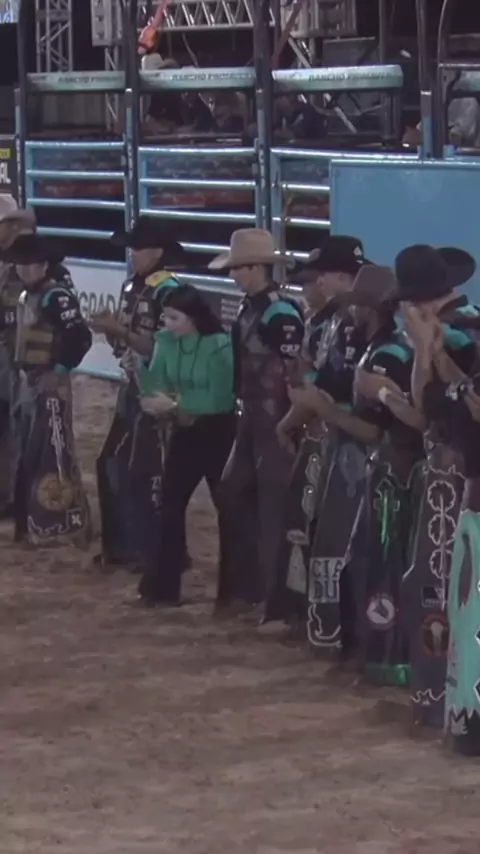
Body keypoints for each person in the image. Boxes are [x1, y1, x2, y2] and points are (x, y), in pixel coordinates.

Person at [396, 244, 479, 729]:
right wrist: (426, 349)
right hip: (457, 475)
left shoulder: (462, 332)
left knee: (445, 588)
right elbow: (427, 401)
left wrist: (432, 349)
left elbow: (444, 403)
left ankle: (447, 700)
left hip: (462, 474)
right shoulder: (456, 328)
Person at [272, 236, 370, 637]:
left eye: (322, 275)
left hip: (347, 439)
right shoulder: (335, 322)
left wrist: (292, 417)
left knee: (335, 530)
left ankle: (332, 624)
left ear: (341, 276)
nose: (317, 282)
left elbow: (329, 388)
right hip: (336, 433)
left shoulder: (345, 326)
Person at [210, 229, 305, 616]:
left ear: (256, 268)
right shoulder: (258, 308)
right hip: (255, 414)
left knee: (270, 505)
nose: (234, 275)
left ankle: (271, 596)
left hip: (272, 415)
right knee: (240, 494)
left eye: (239, 268)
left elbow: (294, 368)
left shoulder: (277, 312)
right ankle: (253, 588)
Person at [90, 216, 182, 573]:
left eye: (138, 248)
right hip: (133, 386)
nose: (132, 253)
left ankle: (149, 549)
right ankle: (126, 546)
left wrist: (116, 329)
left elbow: (162, 348)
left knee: (143, 470)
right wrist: (113, 331)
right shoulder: (134, 287)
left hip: (154, 392)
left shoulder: (169, 291)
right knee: (115, 462)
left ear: (157, 252)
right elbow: (128, 343)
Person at [137, 284, 236, 606]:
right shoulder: (166, 342)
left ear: (193, 318)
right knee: (169, 504)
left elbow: (222, 398)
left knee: (228, 509)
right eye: (165, 317)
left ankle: (235, 590)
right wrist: (139, 369)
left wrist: (176, 404)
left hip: (219, 433)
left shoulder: (219, 346)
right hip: (185, 431)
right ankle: (162, 588)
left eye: (174, 318)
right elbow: (155, 385)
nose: (167, 324)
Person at [4, 234, 91, 546]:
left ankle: (58, 523)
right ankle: (36, 521)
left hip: (47, 381)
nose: (24, 269)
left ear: (43, 265)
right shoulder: (29, 295)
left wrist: (60, 370)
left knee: (52, 448)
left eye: (30, 264)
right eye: (20, 264)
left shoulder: (55, 297)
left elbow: (80, 336)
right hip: (29, 379)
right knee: (33, 449)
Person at [0, 196, 36, 517]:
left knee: (16, 422)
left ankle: (15, 495)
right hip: (9, 351)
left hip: (17, 355)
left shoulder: (28, 262)